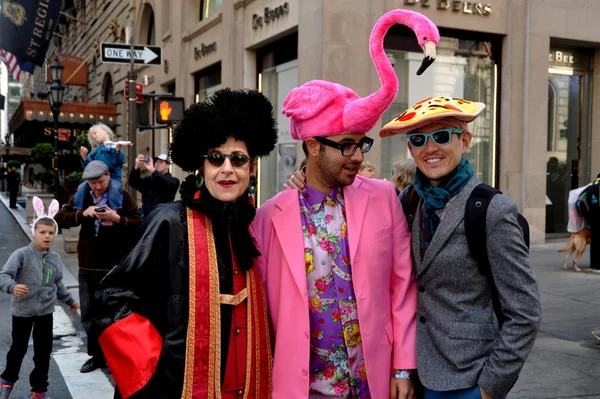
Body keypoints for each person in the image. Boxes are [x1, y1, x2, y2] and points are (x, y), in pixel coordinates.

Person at [250, 9, 440, 399]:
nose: (357, 156)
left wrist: (403, 365)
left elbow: (402, 286)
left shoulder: (384, 196)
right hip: (304, 387)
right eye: (347, 145)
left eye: (362, 144)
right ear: (314, 146)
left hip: (374, 378)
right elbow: (261, 311)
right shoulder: (269, 217)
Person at [97, 88, 278, 399]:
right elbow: (114, 299)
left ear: (253, 167)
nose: (226, 169)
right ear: (201, 166)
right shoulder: (168, 221)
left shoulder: (249, 227)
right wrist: (156, 375)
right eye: (215, 158)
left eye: (237, 159)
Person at [379, 96, 542, 399]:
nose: (430, 148)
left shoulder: (492, 209)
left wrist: (490, 387)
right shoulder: (409, 202)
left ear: (465, 141)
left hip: (468, 378)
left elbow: (525, 311)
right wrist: (301, 188)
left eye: (441, 136)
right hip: (413, 374)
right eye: (418, 139)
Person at [54, 161, 142, 374]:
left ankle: (114, 357)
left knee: (112, 316)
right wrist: (83, 214)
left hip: (112, 268)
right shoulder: (82, 196)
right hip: (86, 266)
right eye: (93, 183)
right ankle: (97, 356)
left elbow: (140, 223)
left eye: (101, 182)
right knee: (89, 316)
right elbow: (60, 219)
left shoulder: (122, 196)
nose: (98, 187)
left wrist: (117, 218)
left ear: (109, 176)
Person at [0, 197, 79, 399]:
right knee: (18, 350)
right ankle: (7, 383)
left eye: (51, 233)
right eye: (42, 232)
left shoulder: (55, 258)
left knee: (43, 354)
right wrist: (12, 286)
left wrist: (69, 301)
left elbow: (59, 283)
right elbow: (4, 275)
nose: (47, 236)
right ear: (33, 233)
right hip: (22, 311)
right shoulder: (21, 255)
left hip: (45, 312)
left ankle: (39, 391)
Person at [75, 123, 125, 210]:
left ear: (105, 131)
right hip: (95, 178)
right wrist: (84, 158)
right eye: (92, 136)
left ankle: (114, 210)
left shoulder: (114, 146)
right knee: (81, 187)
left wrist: (117, 152)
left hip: (113, 178)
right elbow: (89, 169)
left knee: (115, 188)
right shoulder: (95, 151)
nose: (93, 137)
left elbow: (119, 162)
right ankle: (77, 209)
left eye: (95, 133)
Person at [128, 153, 180, 217]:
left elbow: (168, 183)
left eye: (160, 162)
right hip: (147, 215)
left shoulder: (174, 180)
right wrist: (136, 166)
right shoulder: (149, 180)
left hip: (162, 216)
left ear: (167, 165)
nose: (157, 164)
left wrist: (153, 171)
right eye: (156, 162)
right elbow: (133, 182)